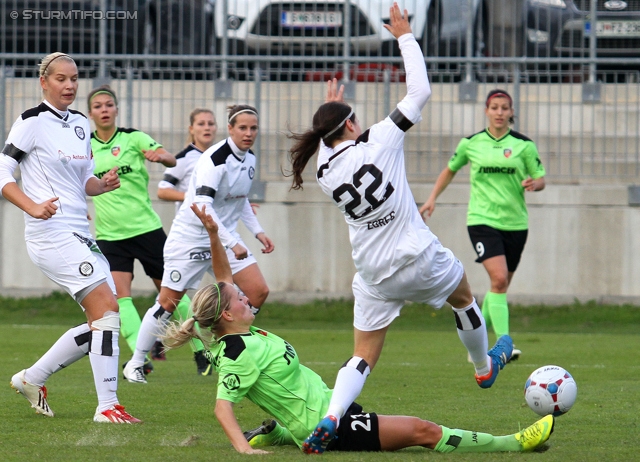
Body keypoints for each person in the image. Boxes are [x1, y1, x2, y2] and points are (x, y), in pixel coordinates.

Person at [286, 4, 513, 453]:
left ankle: (333, 414)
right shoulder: (382, 140)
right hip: (417, 256)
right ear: (350, 124)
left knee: (363, 355)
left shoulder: (324, 170)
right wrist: (404, 37)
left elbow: (339, 138)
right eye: (352, 118)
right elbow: (420, 90)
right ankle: (483, 365)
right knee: (465, 298)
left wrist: (331, 109)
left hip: (373, 273)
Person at [162, 202, 554, 455]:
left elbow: (223, 278)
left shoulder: (243, 333)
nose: (249, 298)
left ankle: (277, 432)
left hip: (330, 409)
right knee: (423, 431)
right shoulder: (235, 354)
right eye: (241, 300)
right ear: (227, 316)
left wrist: (216, 235)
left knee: (404, 427)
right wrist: (242, 450)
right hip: (329, 428)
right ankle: (513, 443)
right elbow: (221, 407)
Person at [0, 53, 140, 423]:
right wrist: (31, 206)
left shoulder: (80, 123)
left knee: (104, 317)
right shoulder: (30, 121)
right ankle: (107, 406)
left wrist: (102, 185)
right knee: (109, 311)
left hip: (79, 232)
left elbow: (84, 182)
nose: (69, 85)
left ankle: (32, 378)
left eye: (74, 78)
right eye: (60, 79)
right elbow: (2, 172)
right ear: (43, 82)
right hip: (50, 233)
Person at [122, 104, 275, 384]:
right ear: (230, 129)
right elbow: (201, 203)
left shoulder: (250, 159)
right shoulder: (213, 160)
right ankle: (134, 363)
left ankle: (230, 350)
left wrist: (258, 232)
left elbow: (239, 199)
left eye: (253, 128)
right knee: (168, 302)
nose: (249, 133)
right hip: (191, 238)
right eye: (242, 127)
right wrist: (232, 242)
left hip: (224, 236)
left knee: (258, 291)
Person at [418, 89, 546, 360]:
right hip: (481, 220)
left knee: (499, 287)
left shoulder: (524, 145)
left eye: (505, 108)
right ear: (486, 111)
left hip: (515, 224)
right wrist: (431, 199)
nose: (499, 112)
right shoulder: (471, 143)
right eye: (495, 107)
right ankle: (504, 344)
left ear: (511, 112)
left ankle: (477, 345)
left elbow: (540, 177)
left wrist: (535, 183)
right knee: (498, 279)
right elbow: (450, 169)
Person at [87, 85, 202, 374]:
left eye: (108, 105)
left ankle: (202, 350)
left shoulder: (132, 138)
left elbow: (170, 158)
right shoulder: (84, 146)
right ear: (90, 113)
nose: (104, 110)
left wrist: (160, 156)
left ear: (115, 109)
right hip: (110, 235)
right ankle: (142, 358)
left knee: (172, 293)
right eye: (98, 106)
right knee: (118, 298)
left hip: (146, 230)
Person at [154, 108, 218, 372]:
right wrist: (192, 199)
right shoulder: (185, 158)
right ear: (191, 129)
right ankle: (149, 350)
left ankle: (214, 348)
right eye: (201, 123)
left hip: (216, 234)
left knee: (232, 292)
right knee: (172, 297)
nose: (207, 127)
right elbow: (163, 190)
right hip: (191, 235)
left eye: (211, 123)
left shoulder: (217, 157)